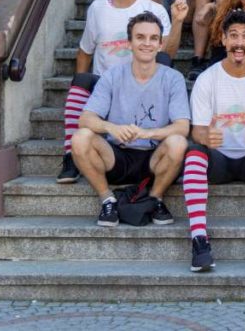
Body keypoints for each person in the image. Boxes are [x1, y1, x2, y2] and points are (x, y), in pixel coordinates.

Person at [57, 0, 185, 184]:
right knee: (81, 79)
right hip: (105, 85)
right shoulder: (97, 8)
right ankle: (70, 155)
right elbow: (85, 52)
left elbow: (166, 51)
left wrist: (177, 22)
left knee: (165, 61)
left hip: (142, 80)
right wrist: (80, 95)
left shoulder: (155, 9)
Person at [181, 10, 245, 273]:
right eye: (234, 36)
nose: (240, 43)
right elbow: (197, 132)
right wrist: (206, 137)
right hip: (219, 161)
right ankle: (199, 240)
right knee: (194, 153)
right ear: (224, 40)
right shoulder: (207, 79)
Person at [70, 12, 190, 229]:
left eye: (153, 38)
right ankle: (108, 200)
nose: (147, 43)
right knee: (81, 138)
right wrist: (111, 127)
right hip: (117, 156)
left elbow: (183, 126)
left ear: (160, 44)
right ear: (130, 42)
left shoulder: (173, 78)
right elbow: (85, 118)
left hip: (154, 157)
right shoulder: (112, 75)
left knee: (178, 142)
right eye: (140, 37)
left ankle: (155, 199)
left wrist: (150, 133)